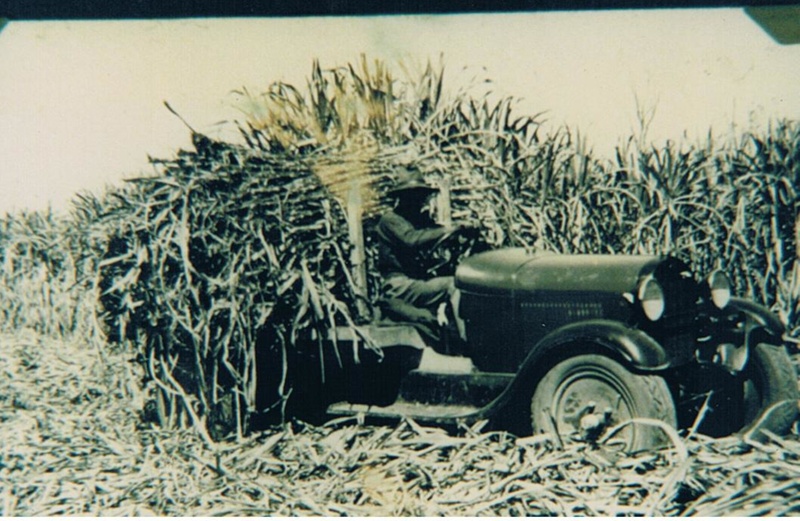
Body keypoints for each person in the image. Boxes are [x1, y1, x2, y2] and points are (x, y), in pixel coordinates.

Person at [375, 167, 475, 348]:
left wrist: (461, 233)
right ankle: (467, 345)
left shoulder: (420, 221)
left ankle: (454, 343)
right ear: (402, 197)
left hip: (417, 283)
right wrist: (448, 229)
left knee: (464, 282)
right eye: (413, 195)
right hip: (399, 286)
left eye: (421, 195)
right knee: (453, 285)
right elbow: (411, 240)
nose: (419, 200)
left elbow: (434, 235)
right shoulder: (391, 220)